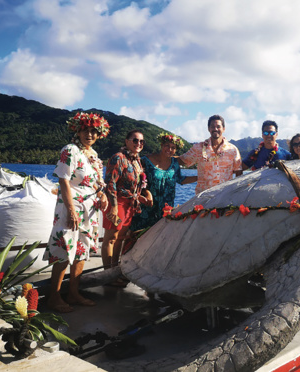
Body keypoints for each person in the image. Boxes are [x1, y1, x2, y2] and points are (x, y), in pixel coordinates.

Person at [44, 112, 110, 313]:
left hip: (89, 211)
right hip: (71, 208)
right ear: (78, 131)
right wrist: (71, 210)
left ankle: (73, 292)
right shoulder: (70, 150)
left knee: (81, 250)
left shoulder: (94, 156)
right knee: (64, 249)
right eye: (85, 130)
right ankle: (54, 297)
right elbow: (63, 179)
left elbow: (96, 183)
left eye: (93, 131)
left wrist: (103, 195)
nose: (89, 134)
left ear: (99, 134)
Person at [102, 129, 151, 282]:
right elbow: (110, 183)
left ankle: (115, 271)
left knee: (120, 238)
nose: (139, 143)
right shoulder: (119, 158)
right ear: (127, 141)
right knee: (111, 238)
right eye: (135, 140)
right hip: (117, 202)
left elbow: (136, 185)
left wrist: (143, 197)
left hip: (129, 205)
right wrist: (114, 207)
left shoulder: (136, 161)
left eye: (141, 141)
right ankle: (108, 275)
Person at [130, 132, 197, 231]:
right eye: (167, 146)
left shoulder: (174, 163)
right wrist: (146, 193)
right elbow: (138, 182)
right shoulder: (145, 160)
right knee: (137, 237)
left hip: (165, 209)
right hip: (146, 207)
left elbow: (181, 179)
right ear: (161, 145)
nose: (169, 149)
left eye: (173, 148)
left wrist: (199, 177)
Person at [179, 114, 242, 194]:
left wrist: (236, 193)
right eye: (212, 126)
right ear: (209, 129)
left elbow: (238, 172)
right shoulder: (199, 148)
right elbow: (181, 160)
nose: (215, 129)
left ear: (224, 129)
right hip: (203, 198)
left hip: (225, 196)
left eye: (218, 126)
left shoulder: (232, 150)